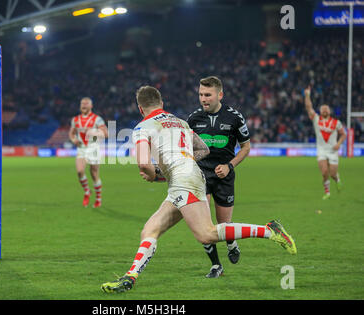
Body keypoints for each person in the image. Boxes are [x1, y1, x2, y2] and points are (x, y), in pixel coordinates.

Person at [101, 85, 296, 293]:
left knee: (207, 234)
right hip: (185, 179)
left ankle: (269, 230)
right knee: (150, 230)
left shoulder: (143, 127)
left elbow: (143, 165)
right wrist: (176, 166)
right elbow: (204, 149)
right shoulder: (181, 122)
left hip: (184, 181)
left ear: (140, 108)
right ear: (162, 104)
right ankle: (130, 278)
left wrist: (152, 175)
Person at [187, 76, 251, 278]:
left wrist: (229, 166)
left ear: (219, 95)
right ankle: (216, 265)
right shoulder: (194, 119)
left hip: (225, 177)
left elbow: (246, 147)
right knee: (204, 227)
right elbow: (187, 148)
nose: (203, 99)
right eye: (200, 95)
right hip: (201, 177)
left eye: (208, 95)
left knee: (224, 226)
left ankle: (231, 242)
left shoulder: (235, 117)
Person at [304, 86, 346, 200]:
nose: (325, 110)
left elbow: (344, 134)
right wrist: (307, 95)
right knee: (324, 172)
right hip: (321, 150)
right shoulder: (316, 119)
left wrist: (338, 144)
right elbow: (309, 107)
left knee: (332, 173)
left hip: (333, 150)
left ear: (329, 111)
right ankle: (327, 192)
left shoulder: (336, 123)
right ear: (321, 111)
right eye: (323, 109)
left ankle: (337, 179)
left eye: (326, 109)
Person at [69, 97, 108, 208]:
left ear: (91, 106)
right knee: (80, 171)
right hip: (81, 148)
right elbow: (71, 133)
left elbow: (105, 133)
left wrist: (94, 132)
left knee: (94, 174)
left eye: (86, 103)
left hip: (93, 147)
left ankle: (98, 198)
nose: (84, 105)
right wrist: (73, 140)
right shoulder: (75, 120)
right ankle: (87, 191)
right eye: (82, 103)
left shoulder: (97, 119)